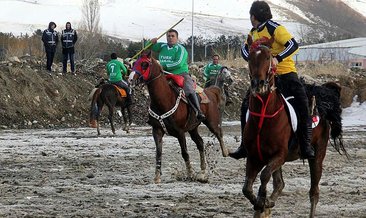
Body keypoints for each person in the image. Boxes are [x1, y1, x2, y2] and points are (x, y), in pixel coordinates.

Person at [229, 1, 315, 160]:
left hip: (286, 74)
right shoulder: (253, 32)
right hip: (264, 79)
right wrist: (251, 57)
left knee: (303, 105)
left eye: (250, 16)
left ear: (253, 16)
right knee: (245, 105)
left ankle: (305, 145)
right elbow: (244, 49)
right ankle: (244, 146)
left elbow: (293, 45)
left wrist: (277, 58)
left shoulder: (275, 28)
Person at [150, 29, 205, 121]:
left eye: (172, 36)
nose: (170, 38)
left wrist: (163, 66)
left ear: (177, 38)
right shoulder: (162, 46)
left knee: (189, 89)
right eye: (168, 36)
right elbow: (150, 47)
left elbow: (178, 63)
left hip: (181, 74)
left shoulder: (181, 49)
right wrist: (151, 42)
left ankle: (198, 111)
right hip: (164, 73)